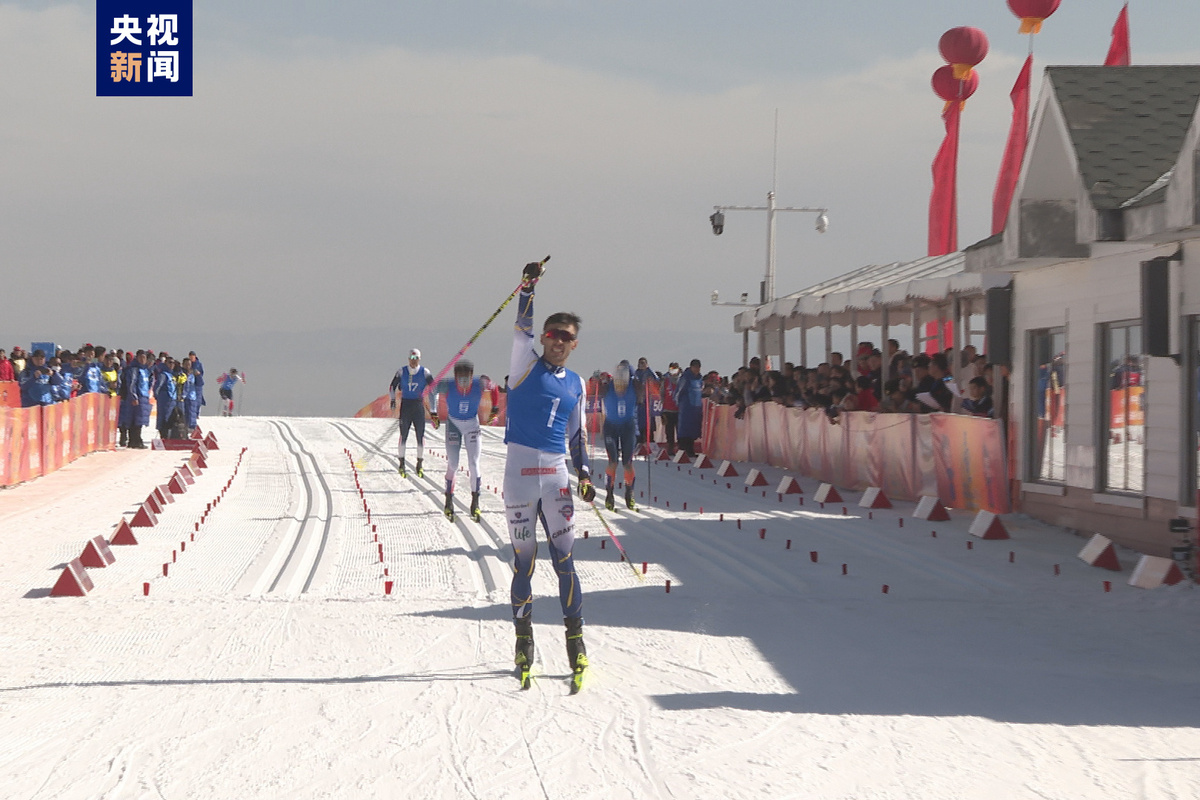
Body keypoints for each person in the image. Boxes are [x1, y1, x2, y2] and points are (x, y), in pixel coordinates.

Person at [503, 260, 594, 691]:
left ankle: (575, 642)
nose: (559, 342)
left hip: (556, 475)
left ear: (575, 344)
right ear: (545, 338)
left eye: (567, 338)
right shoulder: (524, 363)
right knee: (525, 563)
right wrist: (528, 288)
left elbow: (579, 435)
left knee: (564, 562)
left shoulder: (577, 383)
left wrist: (587, 474)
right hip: (520, 474)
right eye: (554, 335)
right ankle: (524, 641)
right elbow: (521, 327)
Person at [434, 359, 498, 522]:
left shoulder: (480, 383)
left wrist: (495, 409)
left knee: (474, 463)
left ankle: (475, 502)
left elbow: (495, 387)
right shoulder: (447, 385)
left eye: (466, 378)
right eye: (460, 378)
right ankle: (449, 500)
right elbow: (431, 390)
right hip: (454, 424)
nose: (463, 382)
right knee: (453, 464)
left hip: (472, 425)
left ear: (471, 376)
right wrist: (433, 412)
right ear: (455, 377)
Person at [600, 360, 640, 510]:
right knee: (613, 461)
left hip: (627, 427)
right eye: (618, 383)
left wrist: (643, 384)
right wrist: (600, 383)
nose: (620, 387)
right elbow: (598, 391)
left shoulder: (633, 386)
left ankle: (629, 493)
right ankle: (609, 494)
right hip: (611, 427)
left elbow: (642, 392)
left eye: (623, 383)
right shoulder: (608, 387)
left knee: (627, 463)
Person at [389, 348, 434, 478]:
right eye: (411, 359)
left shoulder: (425, 372)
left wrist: (433, 410)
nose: (413, 361)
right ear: (408, 359)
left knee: (420, 436)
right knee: (404, 435)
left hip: (418, 406)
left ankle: (419, 463)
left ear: (419, 359)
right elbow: (392, 386)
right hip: (406, 406)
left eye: (416, 359)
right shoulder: (401, 371)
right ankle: (401, 464)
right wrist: (393, 400)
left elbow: (433, 388)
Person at [118, 350, 152, 448]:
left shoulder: (145, 370)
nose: (142, 360)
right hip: (137, 397)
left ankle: (137, 439)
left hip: (144, 397)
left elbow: (148, 383)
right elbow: (131, 384)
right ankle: (134, 440)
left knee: (140, 420)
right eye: (141, 357)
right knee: (134, 419)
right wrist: (134, 396)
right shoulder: (134, 369)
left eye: (144, 358)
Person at [675, 358, 705, 458]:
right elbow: (678, 391)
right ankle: (683, 449)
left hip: (696, 407)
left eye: (698, 367)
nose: (697, 369)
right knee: (685, 428)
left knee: (693, 429)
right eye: (695, 367)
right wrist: (678, 403)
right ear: (691, 367)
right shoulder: (686, 377)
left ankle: (690, 450)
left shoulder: (700, 379)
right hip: (686, 407)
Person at [631, 356, 657, 447]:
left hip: (648, 399)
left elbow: (656, 379)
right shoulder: (636, 374)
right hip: (639, 400)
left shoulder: (649, 373)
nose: (641, 365)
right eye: (640, 363)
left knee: (649, 420)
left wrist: (649, 369)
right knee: (639, 421)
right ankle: (640, 440)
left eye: (643, 363)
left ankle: (650, 439)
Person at [153, 357, 178, 440]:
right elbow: (157, 386)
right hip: (165, 399)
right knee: (164, 417)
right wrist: (157, 396)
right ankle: (163, 434)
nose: (171, 365)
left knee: (170, 417)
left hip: (172, 399)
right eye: (170, 363)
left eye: (173, 363)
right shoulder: (163, 374)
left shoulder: (171, 374)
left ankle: (168, 434)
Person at [660, 362, 681, 454]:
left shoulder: (681, 380)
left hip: (679, 409)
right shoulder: (666, 380)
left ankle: (681, 447)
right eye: (672, 368)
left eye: (675, 368)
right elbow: (662, 393)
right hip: (668, 409)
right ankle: (670, 447)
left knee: (680, 430)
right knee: (669, 430)